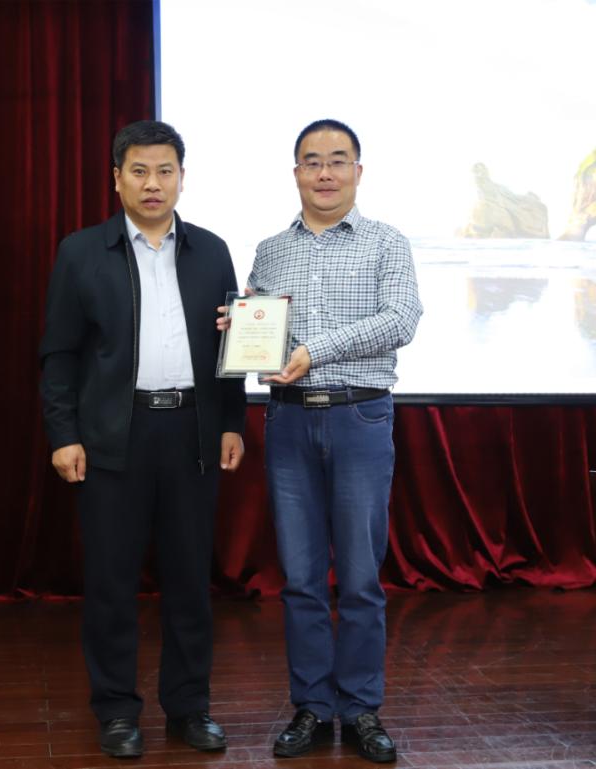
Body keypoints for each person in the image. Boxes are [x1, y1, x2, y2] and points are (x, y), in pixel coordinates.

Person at [39, 120, 246, 759]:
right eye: (139, 171)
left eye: (165, 171)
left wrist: (232, 421)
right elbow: (59, 354)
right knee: (110, 583)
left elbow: (233, 347)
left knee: (190, 581)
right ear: (117, 179)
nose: (153, 183)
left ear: (182, 177)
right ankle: (116, 711)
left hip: (191, 432)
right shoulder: (81, 252)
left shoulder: (211, 251)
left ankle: (189, 707)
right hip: (112, 436)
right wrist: (64, 434)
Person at [242, 119, 422, 762]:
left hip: (360, 418)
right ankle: (313, 708)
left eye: (337, 160)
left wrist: (315, 351)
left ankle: (362, 708)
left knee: (362, 579)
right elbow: (263, 334)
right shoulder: (270, 250)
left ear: (357, 171)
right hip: (288, 422)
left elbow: (401, 320)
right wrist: (240, 330)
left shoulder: (386, 242)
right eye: (312, 161)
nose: (324, 172)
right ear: (296, 172)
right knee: (300, 577)